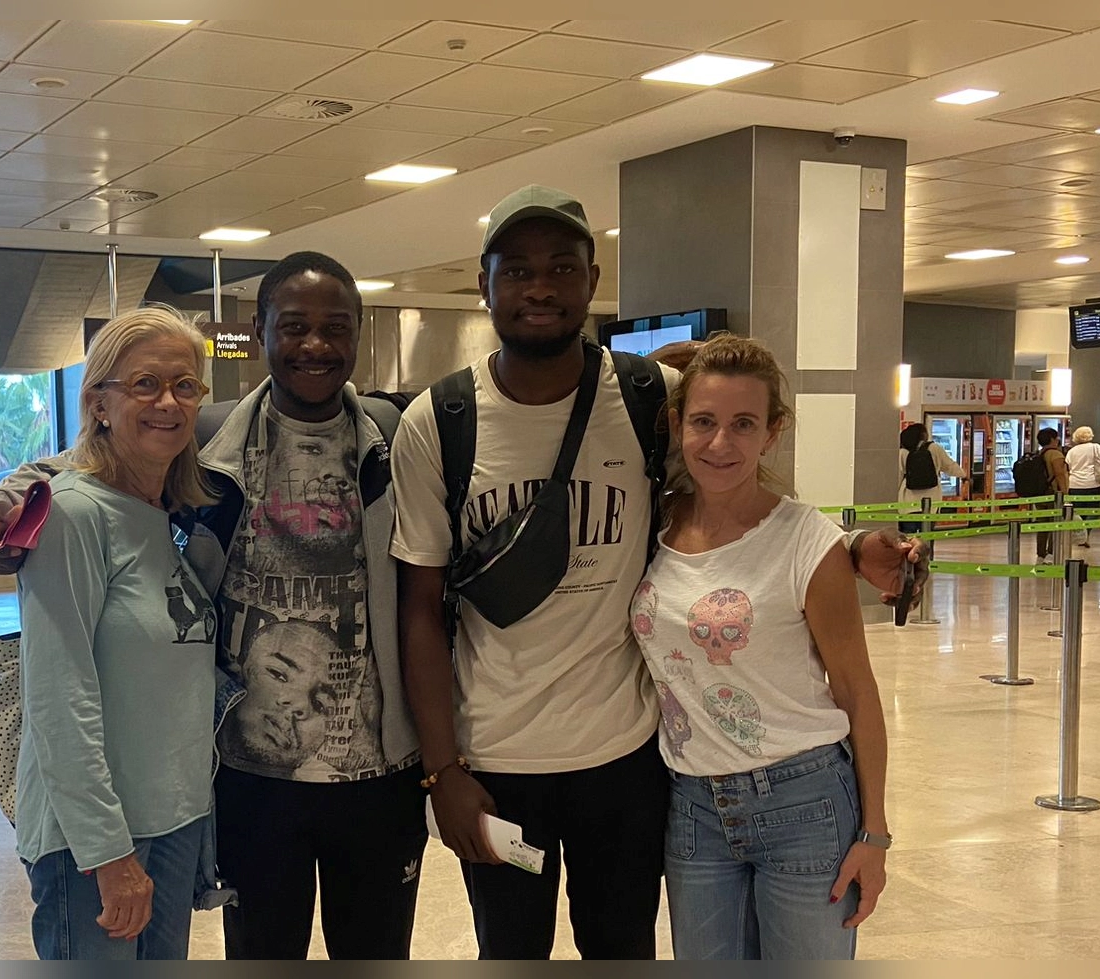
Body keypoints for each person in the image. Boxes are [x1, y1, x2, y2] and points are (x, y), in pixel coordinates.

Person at [388, 184, 923, 961]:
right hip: (498, 761)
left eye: (562, 268)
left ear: (591, 279)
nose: (540, 287)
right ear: (484, 285)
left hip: (626, 762)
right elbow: (420, 609)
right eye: (518, 270)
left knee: (622, 947)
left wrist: (841, 545)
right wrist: (442, 771)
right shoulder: (437, 423)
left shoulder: (648, 395)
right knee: (509, 952)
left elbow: (735, 488)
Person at [0, 253, 428, 961]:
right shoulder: (213, 432)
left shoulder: (396, 436)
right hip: (248, 777)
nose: (314, 345)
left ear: (358, 335)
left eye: (335, 327)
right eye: (294, 326)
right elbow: (75, 466)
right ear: (260, 331)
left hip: (368, 777)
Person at [630, 334, 889, 960]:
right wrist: (682, 362)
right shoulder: (650, 522)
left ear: (772, 432)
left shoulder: (809, 541)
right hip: (693, 807)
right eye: (703, 421)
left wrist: (875, 835)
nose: (721, 444)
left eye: (743, 424)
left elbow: (856, 689)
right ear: (677, 424)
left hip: (804, 800)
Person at [11, 306, 227, 960]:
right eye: (144, 384)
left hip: (173, 821)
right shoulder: (74, 513)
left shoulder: (170, 514)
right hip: (98, 837)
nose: (168, 401)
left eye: (184, 385)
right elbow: (58, 691)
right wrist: (107, 851)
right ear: (99, 401)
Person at [897, 422, 966, 534]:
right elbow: (950, 466)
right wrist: (964, 475)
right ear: (923, 435)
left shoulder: (903, 452)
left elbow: (898, 476)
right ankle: (926, 552)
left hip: (907, 503)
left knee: (908, 538)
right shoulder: (934, 448)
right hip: (931, 502)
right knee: (927, 537)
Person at [1064, 426, 1100, 548]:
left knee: (1078, 512)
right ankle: (1086, 534)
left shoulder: (1072, 451)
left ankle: (1081, 533)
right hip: (1092, 483)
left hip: (1074, 484)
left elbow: (1067, 468)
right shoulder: (1095, 447)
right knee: (1093, 511)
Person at [1034, 427, 1068, 561]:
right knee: (1055, 524)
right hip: (1053, 494)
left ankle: (1040, 555)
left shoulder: (1039, 453)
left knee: (1042, 525)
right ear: (1053, 439)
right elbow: (1059, 474)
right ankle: (1051, 554)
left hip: (1041, 493)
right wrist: (1065, 493)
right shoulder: (1056, 454)